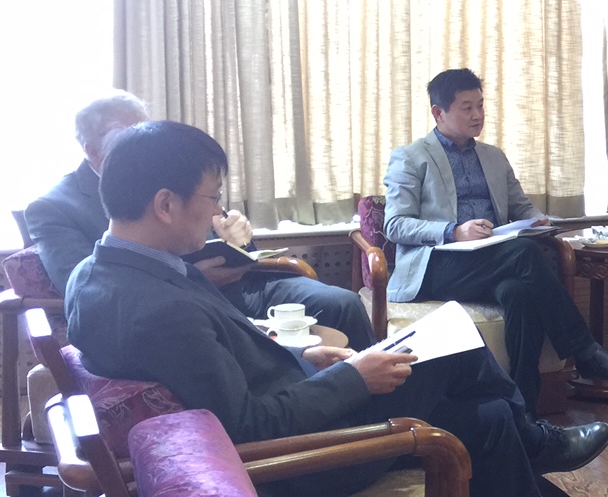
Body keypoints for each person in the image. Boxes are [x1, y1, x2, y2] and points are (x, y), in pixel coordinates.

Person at [65, 121, 608, 497]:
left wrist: (305, 360)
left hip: (295, 414)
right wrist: (355, 379)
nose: (217, 212)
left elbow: (217, 371)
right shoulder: (160, 309)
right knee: (454, 342)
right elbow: (249, 429)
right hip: (292, 465)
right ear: (165, 204)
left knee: (487, 418)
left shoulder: (99, 274)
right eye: (212, 197)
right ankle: (536, 445)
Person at [27, 92, 375, 349]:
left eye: (145, 130)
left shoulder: (169, 173)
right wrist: (189, 277)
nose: (142, 143)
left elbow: (216, 234)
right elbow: (85, 283)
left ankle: (371, 395)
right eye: (126, 134)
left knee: (342, 304)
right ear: (91, 149)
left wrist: (239, 240)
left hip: (237, 287)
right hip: (175, 306)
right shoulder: (54, 207)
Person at [383, 69, 608, 407]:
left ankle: (522, 408)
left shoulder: (493, 156)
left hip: (490, 261)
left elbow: (521, 207)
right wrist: (453, 231)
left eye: (480, 105)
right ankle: (584, 350)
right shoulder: (411, 157)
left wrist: (539, 221)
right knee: (524, 253)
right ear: (438, 113)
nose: (478, 115)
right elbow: (396, 225)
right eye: (467, 107)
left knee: (519, 293)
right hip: (437, 266)